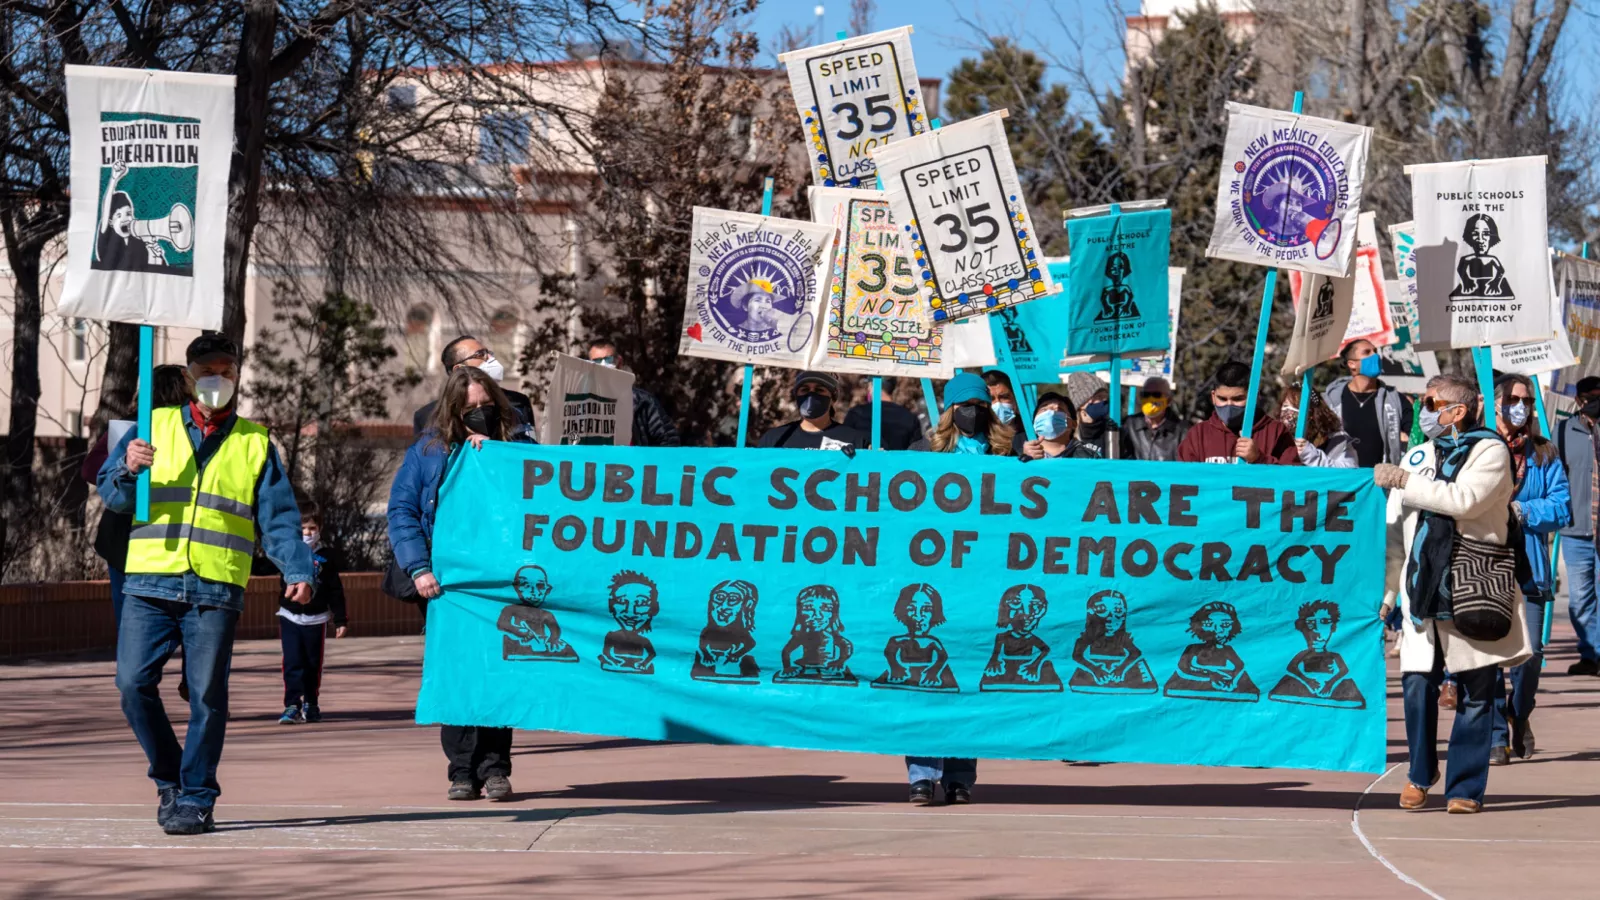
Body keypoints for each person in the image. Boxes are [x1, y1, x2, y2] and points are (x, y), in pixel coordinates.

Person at [98, 333, 313, 836]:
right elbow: (112, 495)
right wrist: (128, 470)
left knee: (207, 697)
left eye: (227, 369)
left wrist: (297, 569)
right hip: (150, 580)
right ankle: (169, 776)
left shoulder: (255, 442)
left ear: (237, 377)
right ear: (189, 376)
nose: (218, 379)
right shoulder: (152, 425)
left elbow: (278, 518)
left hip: (215, 586)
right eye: (207, 369)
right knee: (132, 686)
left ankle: (196, 796)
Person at [1376, 374, 1530, 814]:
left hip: (1472, 585)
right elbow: (1396, 531)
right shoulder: (1420, 454)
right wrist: (1389, 591)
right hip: (1422, 587)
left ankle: (1464, 788)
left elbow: (1463, 500)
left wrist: (1405, 480)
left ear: (1456, 410)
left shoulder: (1490, 451)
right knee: (1416, 687)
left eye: (1431, 402)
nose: (1424, 411)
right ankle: (1420, 775)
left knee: (1478, 690)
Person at [389, 365, 533, 802]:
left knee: (496, 670)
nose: (479, 415)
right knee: (456, 673)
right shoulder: (428, 452)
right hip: (446, 584)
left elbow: (540, 499)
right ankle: (461, 770)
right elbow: (402, 512)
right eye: (470, 409)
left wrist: (497, 459)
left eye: (487, 407)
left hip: (499, 583)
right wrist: (419, 568)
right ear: (453, 409)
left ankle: (495, 769)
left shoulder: (520, 446)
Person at [902, 370, 1014, 804]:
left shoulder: (1009, 454)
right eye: (965, 406)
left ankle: (960, 778)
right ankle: (922, 775)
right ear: (949, 410)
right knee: (924, 681)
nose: (973, 414)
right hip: (932, 585)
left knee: (967, 681)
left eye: (980, 407)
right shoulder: (920, 453)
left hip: (984, 586)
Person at [1487, 374, 1570, 765]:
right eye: (1513, 398)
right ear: (1496, 401)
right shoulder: (1480, 445)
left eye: (1527, 400)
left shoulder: (1544, 453)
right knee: (1487, 658)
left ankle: (1518, 714)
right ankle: (1495, 736)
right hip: (1484, 567)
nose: (1520, 406)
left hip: (1530, 569)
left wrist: (1525, 510)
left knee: (1531, 654)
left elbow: (1562, 507)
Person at [80, 364, 192, 630]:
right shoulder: (134, 428)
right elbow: (92, 468)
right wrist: (127, 468)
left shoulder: (134, 426)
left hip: (136, 536)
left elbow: (90, 468)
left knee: (131, 627)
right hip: (137, 535)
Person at [277, 503, 348, 725]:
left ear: (320, 529)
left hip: (317, 619)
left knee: (312, 663)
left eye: (312, 528)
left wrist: (340, 619)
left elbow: (336, 590)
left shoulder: (327, 557)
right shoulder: (290, 552)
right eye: (303, 528)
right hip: (290, 616)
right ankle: (292, 705)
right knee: (292, 661)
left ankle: (311, 702)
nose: (307, 533)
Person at [1554, 375, 1600, 676]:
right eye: (1592, 397)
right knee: (1581, 601)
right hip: (1574, 532)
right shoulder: (1561, 432)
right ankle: (1591, 654)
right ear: (1579, 400)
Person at [412, 334, 536, 437]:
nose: (490, 358)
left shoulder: (518, 403)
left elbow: (527, 454)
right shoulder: (427, 416)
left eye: (489, 352)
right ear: (459, 369)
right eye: (480, 354)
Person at [1176, 361, 1298, 465]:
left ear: (1255, 396)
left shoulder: (1275, 432)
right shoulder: (1198, 435)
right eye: (1222, 399)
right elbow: (1182, 479)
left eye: (1238, 399)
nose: (1229, 405)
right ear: (1213, 396)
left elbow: (1294, 480)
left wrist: (1259, 459)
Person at [1323, 339, 1413, 467]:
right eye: (1367, 352)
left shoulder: (1395, 400)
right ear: (1352, 364)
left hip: (1378, 481)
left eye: (1375, 351)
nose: (1375, 356)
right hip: (1341, 480)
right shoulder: (1331, 400)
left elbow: (1416, 435)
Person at [586, 338, 681, 447]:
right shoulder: (581, 404)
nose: (602, 365)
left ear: (619, 362)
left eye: (608, 360)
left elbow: (669, 442)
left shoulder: (643, 402)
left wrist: (646, 462)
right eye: (596, 361)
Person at [757, 371, 869, 450]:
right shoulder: (774, 439)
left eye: (819, 390)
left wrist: (855, 460)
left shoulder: (854, 439)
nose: (811, 395)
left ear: (832, 398)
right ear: (796, 396)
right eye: (805, 390)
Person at [1280, 385, 1357, 468]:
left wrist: (1312, 457)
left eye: (1294, 407)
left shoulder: (1336, 442)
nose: (1286, 412)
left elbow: (1349, 472)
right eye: (1285, 406)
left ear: (1310, 413)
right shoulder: (1280, 439)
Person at [844, 376, 924, 450]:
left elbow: (842, 443)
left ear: (872, 387)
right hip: (898, 464)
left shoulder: (857, 414)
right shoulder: (910, 417)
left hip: (863, 464)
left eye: (868, 386)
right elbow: (916, 451)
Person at [1015, 392, 1102, 460]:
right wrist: (1025, 460)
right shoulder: (1017, 455)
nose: (1051, 414)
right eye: (1044, 409)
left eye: (1059, 409)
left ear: (1073, 424)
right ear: (1034, 422)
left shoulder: (1090, 457)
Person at [1123, 377, 1188, 462]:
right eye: (1146, 395)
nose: (1150, 399)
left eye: (1156, 395)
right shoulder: (1129, 426)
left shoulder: (1182, 432)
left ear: (1168, 400)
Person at [1065, 372, 1114, 455]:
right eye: (1099, 397)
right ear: (1082, 404)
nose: (1105, 400)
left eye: (1105, 396)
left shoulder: (1112, 431)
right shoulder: (1068, 435)